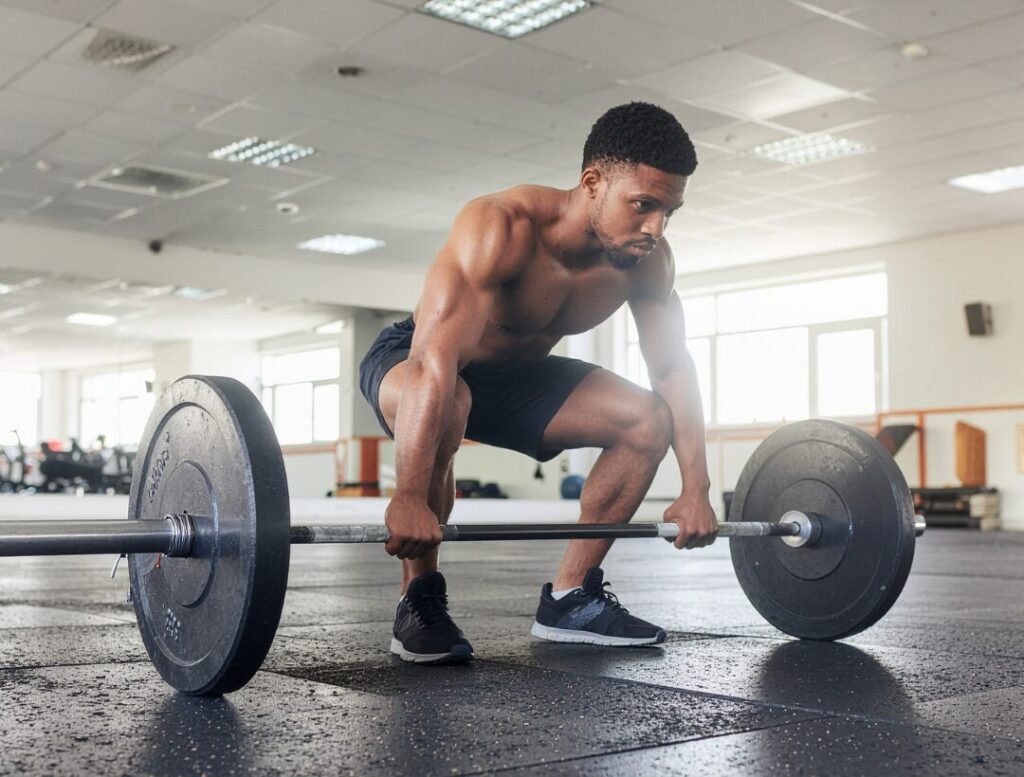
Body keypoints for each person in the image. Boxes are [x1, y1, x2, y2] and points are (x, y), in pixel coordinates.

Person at [359, 102, 718, 663]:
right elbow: (435, 363)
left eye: (669, 212)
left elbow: (672, 367)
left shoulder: (647, 262)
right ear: (592, 183)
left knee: (647, 420)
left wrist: (696, 486)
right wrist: (406, 496)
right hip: (420, 363)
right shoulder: (500, 227)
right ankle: (419, 598)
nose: (655, 228)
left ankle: (571, 599)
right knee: (452, 396)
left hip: (519, 380)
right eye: (643, 206)